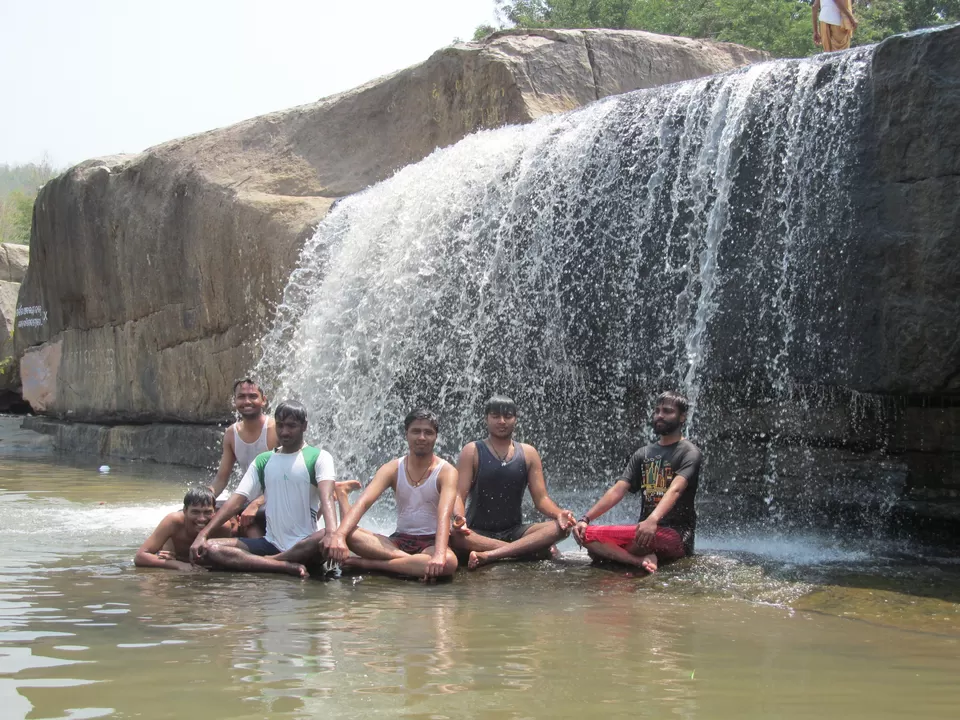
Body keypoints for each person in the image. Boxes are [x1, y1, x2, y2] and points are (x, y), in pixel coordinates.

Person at [189, 400, 339, 578]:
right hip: (270, 543)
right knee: (209, 548)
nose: (285, 432)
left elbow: (327, 497)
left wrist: (331, 534)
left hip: (306, 544)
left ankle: (269, 562)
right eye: (281, 426)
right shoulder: (264, 460)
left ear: (304, 426)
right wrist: (204, 535)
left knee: (323, 536)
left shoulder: (319, 457)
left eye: (292, 426)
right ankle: (283, 565)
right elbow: (237, 500)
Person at [572, 391, 702, 574]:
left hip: (676, 534)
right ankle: (639, 560)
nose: (660, 415)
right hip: (643, 531)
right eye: (657, 411)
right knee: (584, 533)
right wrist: (585, 519)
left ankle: (620, 556)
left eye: (667, 411)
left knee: (599, 551)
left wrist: (653, 520)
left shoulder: (689, 452)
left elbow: (676, 489)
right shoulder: (643, 453)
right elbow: (618, 489)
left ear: (682, 417)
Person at [325, 409, 459, 581]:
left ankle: (371, 565)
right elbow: (364, 502)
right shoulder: (393, 468)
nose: (422, 437)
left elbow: (444, 514)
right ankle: (412, 565)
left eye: (428, 433)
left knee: (448, 562)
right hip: (397, 542)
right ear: (406, 434)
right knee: (350, 534)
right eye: (416, 431)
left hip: (431, 543)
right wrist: (339, 535)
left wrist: (440, 553)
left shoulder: (447, 471)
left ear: (436, 437)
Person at [449, 395, 576, 569]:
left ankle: (490, 554)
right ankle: (525, 551)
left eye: (507, 416)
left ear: (515, 419)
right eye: (495, 416)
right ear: (486, 419)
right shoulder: (472, 450)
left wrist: (559, 513)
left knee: (561, 528)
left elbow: (541, 500)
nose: (502, 421)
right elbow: (458, 494)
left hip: (514, 531)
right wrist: (458, 518)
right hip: (478, 532)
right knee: (454, 536)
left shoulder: (529, 453)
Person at [210, 378, 278, 537]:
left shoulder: (276, 429)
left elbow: (286, 478)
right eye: (241, 397)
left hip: (275, 500)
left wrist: (256, 503)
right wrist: (205, 497)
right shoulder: (231, 433)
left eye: (253, 396)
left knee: (249, 526)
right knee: (194, 513)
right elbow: (221, 479)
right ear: (234, 401)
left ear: (263, 400)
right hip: (246, 501)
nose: (247, 401)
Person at [134, 487, 232, 571]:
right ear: (185, 511)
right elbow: (140, 557)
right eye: (195, 512)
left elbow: (223, 561)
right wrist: (176, 564)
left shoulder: (223, 527)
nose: (201, 518)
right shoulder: (173, 521)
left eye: (207, 512)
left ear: (214, 511)